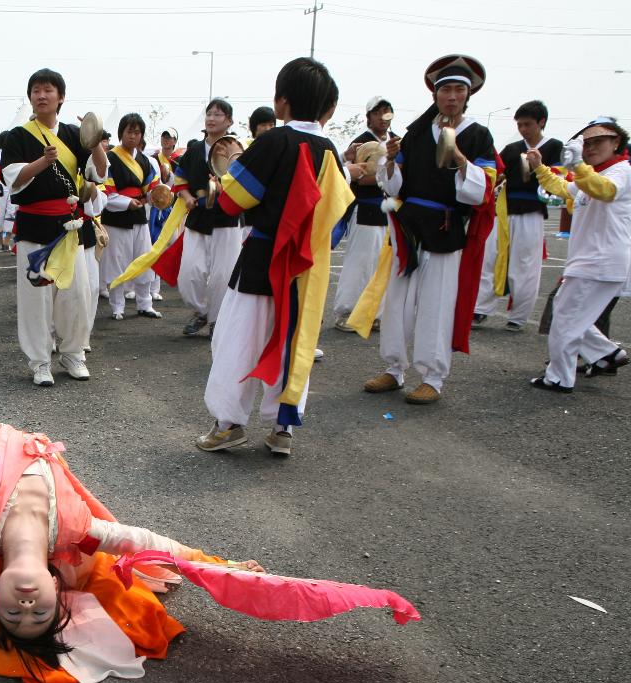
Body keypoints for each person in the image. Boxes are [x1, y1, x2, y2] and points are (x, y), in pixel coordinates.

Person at [0, 415, 418, 683]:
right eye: (41, 615)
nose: (29, 605)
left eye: (19, 615)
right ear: (52, 592)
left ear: (4, 594)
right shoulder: (78, 536)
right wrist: (218, 563)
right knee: (125, 569)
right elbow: (150, 539)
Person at [196, 57, 352, 457]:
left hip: (263, 257)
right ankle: (283, 428)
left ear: (281, 103)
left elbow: (233, 201)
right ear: (327, 108)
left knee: (237, 340)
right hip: (307, 265)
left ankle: (228, 425)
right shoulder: (331, 152)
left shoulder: (271, 143)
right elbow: (338, 209)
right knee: (293, 340)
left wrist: (222, 179)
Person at [364, 55, 496, 406]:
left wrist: (459, 159)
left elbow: (484, 187)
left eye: (458, 90)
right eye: (445, 90)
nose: (451, 96)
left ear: (468, 95)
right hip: (409, 227)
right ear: (435, 95)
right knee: (398, 301)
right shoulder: (418, 132)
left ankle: (433, 376)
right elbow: (393, 187)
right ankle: (394, 368)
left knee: (436, 304)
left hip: (445, 226)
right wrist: (391, 159)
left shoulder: (478, 135)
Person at [0, 68, 108, 386]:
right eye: (36, 90)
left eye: (48, 90)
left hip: (70, 225)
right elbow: (13, 180)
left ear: (60, 97)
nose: (41, 95)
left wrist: (95, 140)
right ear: (30, 97)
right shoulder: (20, 136)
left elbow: (98, 173)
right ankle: (40, 360)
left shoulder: (75, 135)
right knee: (37, 297)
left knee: (76, 294)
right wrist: (42, 162)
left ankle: (74, 353)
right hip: (34, 224)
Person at [528, 118, 631, 391]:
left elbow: (607, 191)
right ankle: (607, 353)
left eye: (599, 141)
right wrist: (539, 167)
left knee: (564, 320)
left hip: (600, 261)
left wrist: (579, 166)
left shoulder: (621, 171)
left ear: (616, 142)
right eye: (587, 142)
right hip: (589, 261)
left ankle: (559, 377)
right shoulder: (593, 175)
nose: (592, 147)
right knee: (568, 313)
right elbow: (564, 188)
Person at [473, 100, 565, 331]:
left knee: (525, 264)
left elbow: (557, 181)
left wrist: (539, 166)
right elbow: (497, 172)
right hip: (504, 212)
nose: (523, 129)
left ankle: (519, 316)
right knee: (490, 259)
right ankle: (481, 309)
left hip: (532, 212)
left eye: (528, 124)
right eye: (520, 125)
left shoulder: (554, 147)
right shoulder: (513, 149)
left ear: (541, 122)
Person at [331, 96, 397, 331]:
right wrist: (385, 178)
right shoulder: (360, 143)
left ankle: (373, 314)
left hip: (390, 212)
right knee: (360, 262)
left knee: (383, 265)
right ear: (369, 116)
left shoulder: (395, 142)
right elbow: (358, 175)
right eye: (378, 112)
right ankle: (346, 312)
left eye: (387, 112)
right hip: (366, 209)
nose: (382, 117)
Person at [176, 133, 245, 337]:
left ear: (228, 120)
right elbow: (180, 180)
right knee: (189, 274)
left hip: (228, 219)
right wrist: (187, 196)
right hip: (198, 218)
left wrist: (227, 188)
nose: (212, 118)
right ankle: (203, 312)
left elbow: (247, 183)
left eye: (218, 114)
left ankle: (218, 320)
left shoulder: (238, 147)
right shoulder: (195, 150)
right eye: (210, 114)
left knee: (222, 276)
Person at [99, 113, 160, 320]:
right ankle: (117, 306)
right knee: (116, 262)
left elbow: (151, 189)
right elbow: (106, 192)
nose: (133, 136)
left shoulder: (145, 161)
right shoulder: (110, 159)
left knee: (143, 259)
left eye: (137, 132)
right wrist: (127, 202)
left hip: (139, 216)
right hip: (116, 218)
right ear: (121, 133)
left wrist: (158, 197)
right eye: (129, 131)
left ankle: (145, 303)